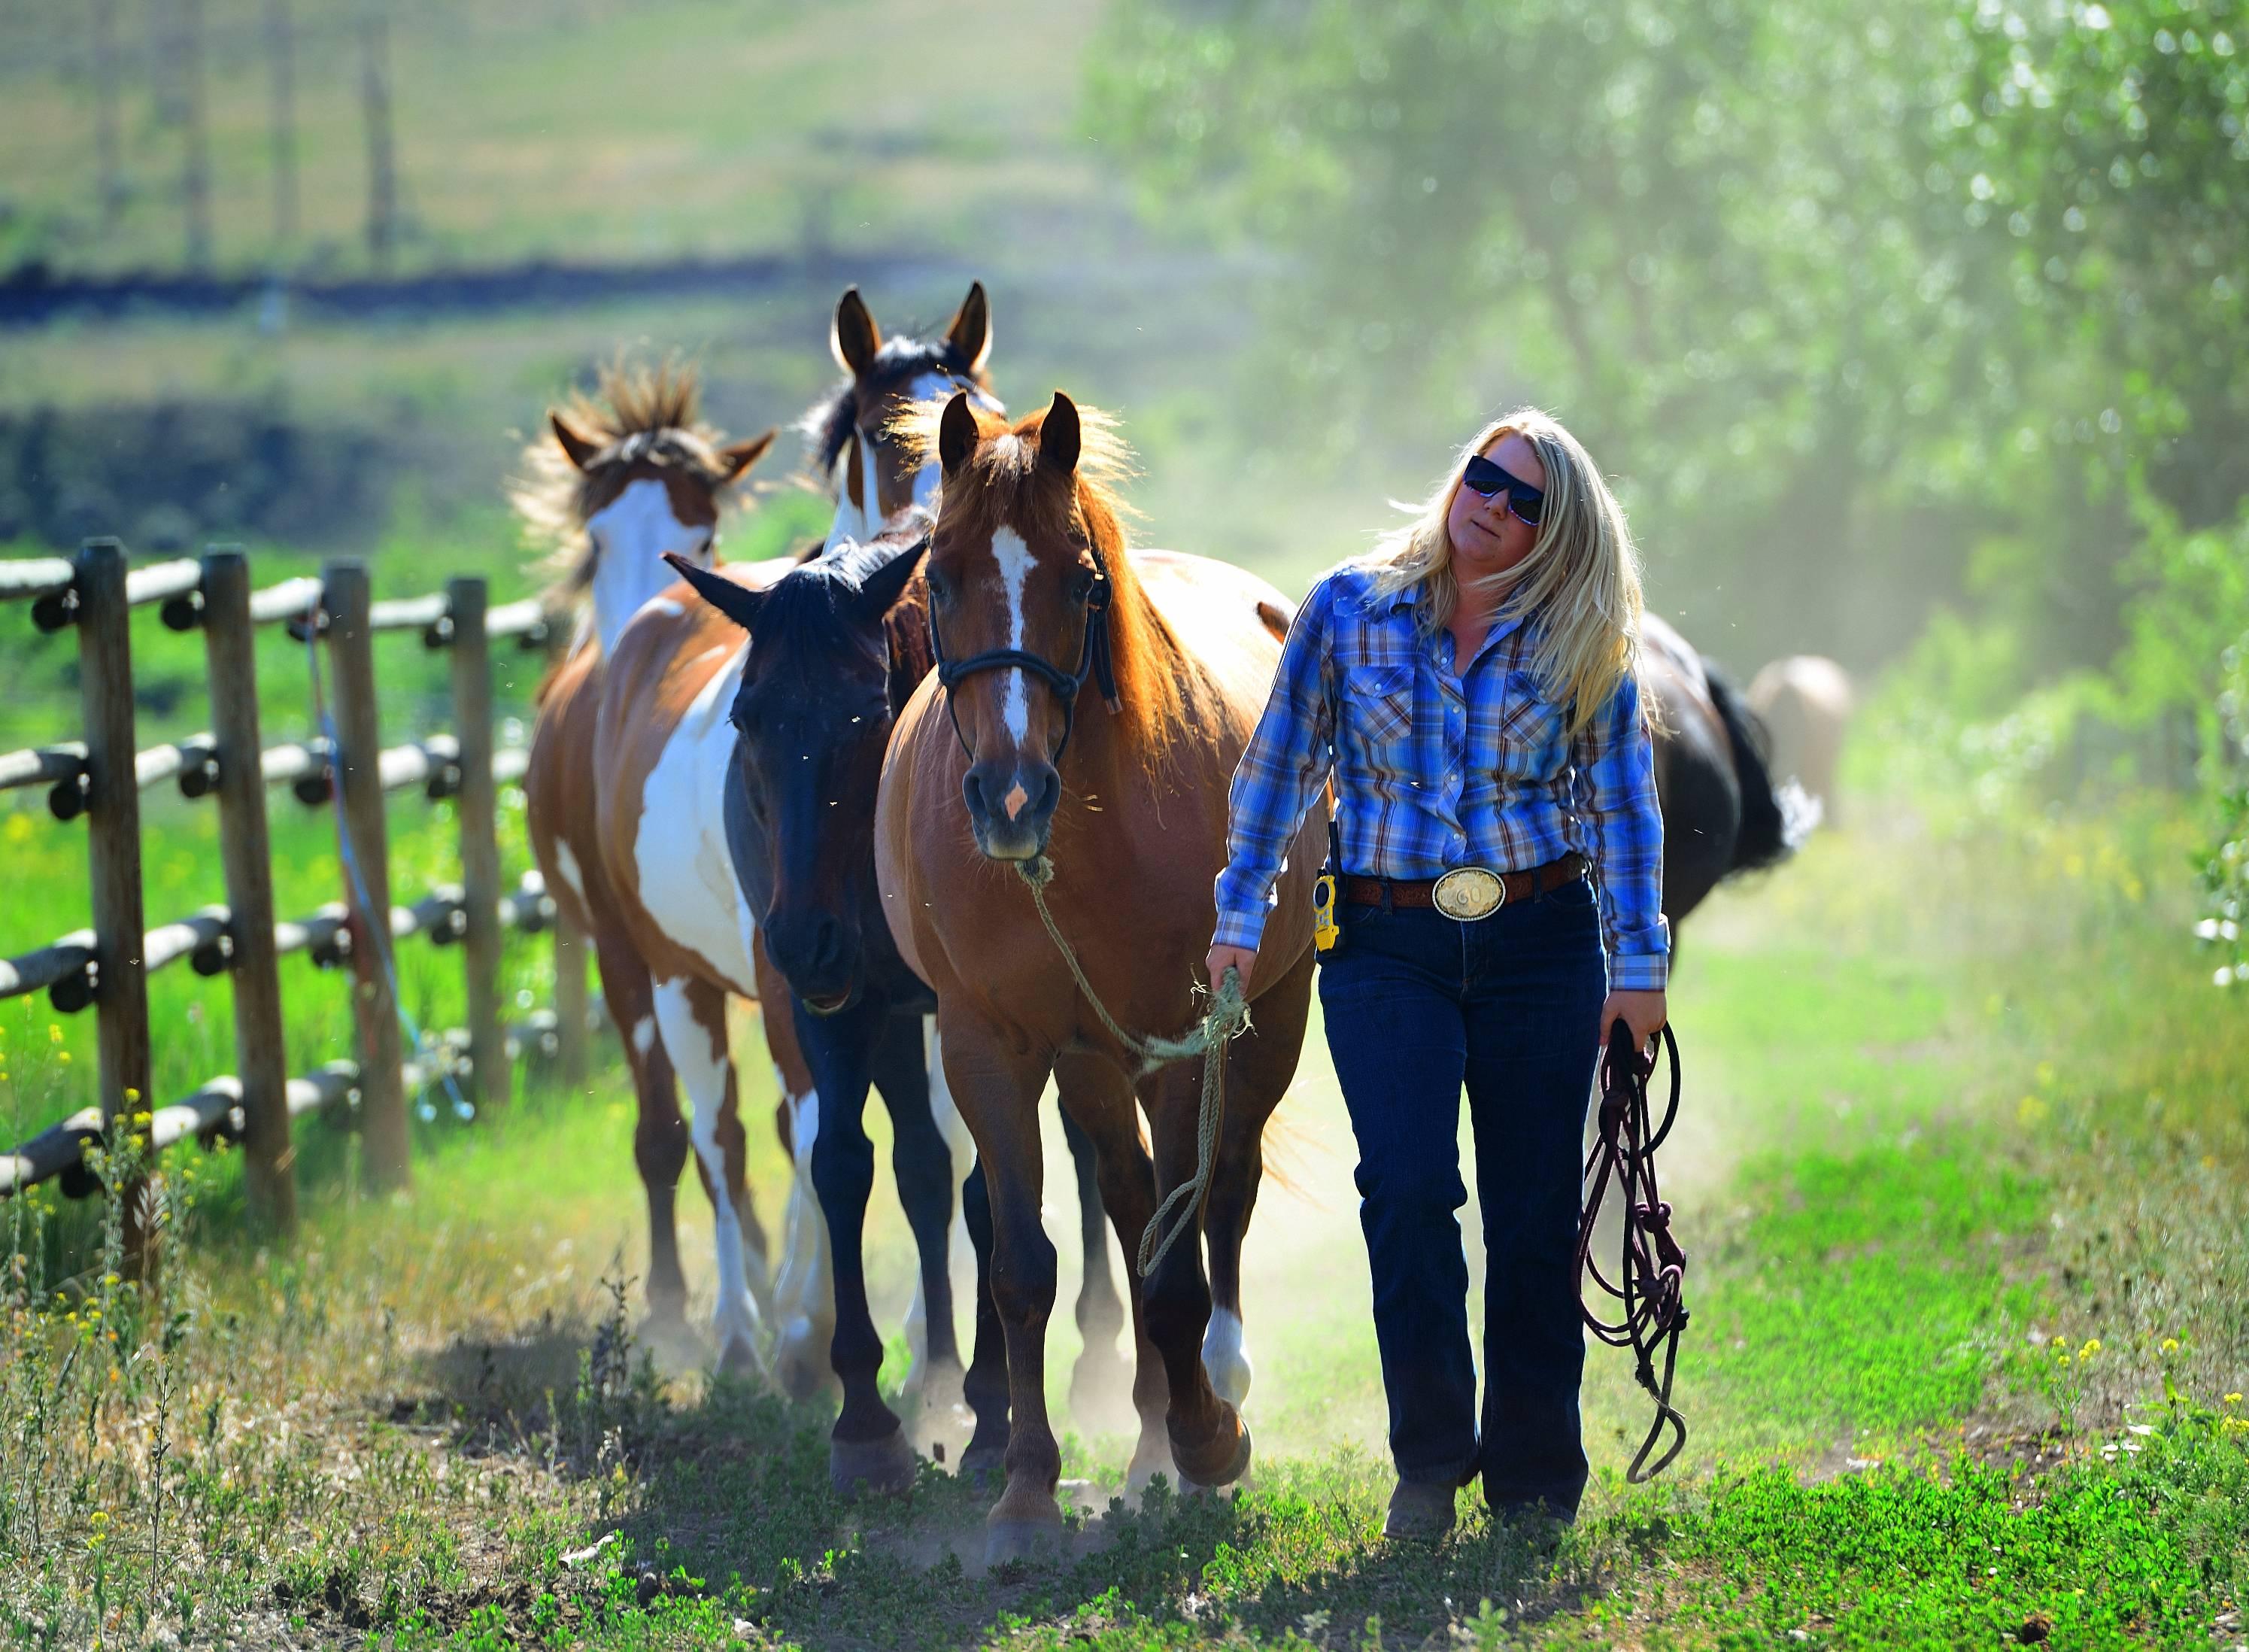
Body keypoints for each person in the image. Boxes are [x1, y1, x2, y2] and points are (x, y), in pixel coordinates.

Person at [1205, 408, 1668, 1540]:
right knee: (1405, 1193)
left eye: (1525, 503)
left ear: (1556, 535)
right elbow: (1277, 764)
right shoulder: (1347, 608)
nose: (1494, 506)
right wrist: (1237, 908)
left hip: (1539, 939)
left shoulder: (1581, 638)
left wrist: (1638, 965)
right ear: (1457, 474)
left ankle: (1532, 1480)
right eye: (1484, 477)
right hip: (1381, 942)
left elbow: (1619, 808)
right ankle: (1428, 1463)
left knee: (1530, 1210)